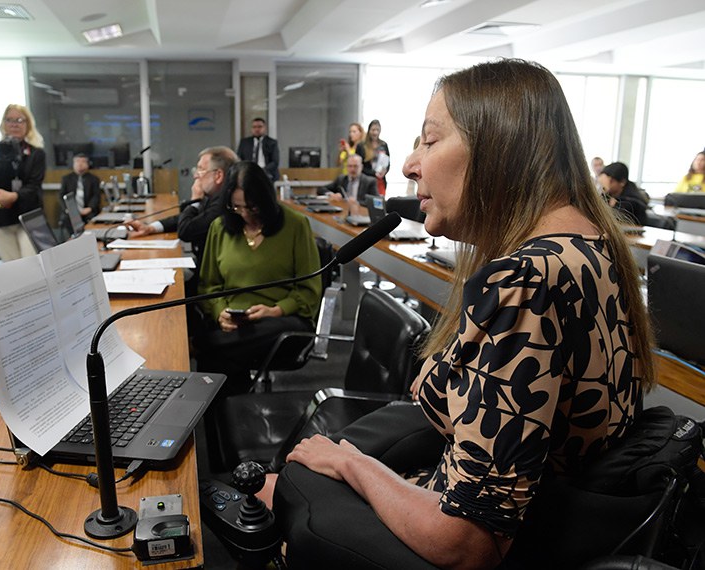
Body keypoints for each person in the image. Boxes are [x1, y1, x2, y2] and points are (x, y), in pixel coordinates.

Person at [265, 59, 654, 569]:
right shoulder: (593, 247)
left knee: (289, 484)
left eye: (429, 140)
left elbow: (465, 542)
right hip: (543, 520)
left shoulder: (523, 281)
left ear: (499, 146)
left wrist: (349, 464)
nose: (408, 164)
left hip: (480, 541)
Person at [194, 161, 321, 396]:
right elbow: (208, 285)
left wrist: (275, 310)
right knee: (226, 354)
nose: (245, 214)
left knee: (214, 351)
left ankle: (221, 422)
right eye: (237, 208)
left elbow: (309, 290)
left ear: (265, 200)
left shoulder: (296, 225)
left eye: (252, 208)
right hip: (233, 325)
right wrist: (219, 312)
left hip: (283, 324)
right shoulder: (220, 227)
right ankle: (234, 420)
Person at [125, 146, 237, 262]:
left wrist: (194, 200)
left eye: (201, 170)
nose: (195, 176)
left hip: (208, 276)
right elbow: (186, 217)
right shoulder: (214, 197)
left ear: (218, 176)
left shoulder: (224, 205)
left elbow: (186, 231)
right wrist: (151, 228)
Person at [0, 103, 46, 261]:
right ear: (3, 123)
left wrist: (13, 196)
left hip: (28, 216)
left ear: (27, 124)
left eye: (20, 120)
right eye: (10, 120)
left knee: (31, 264)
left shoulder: (36, 153)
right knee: (13, 268)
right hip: (2, 217)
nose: (14, 124)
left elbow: (34, 187)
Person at [59, 153, 101, 235]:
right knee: (67, 219)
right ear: (73, 164)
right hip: (71, 211)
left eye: (83, 162)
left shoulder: (94, 179)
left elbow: (96, 196)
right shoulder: (66, 179)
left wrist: (89, 208)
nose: (80, 164)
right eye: (77, 161)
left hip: (88, 210)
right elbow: (61, 196)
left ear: (88, 164)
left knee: (93, 219)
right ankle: (72, 239)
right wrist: (67, 209)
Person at [236, 117, 280, 181]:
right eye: (254, 127)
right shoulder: (244, 142)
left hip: (267, 174)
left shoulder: (272, 142)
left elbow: (275, 162)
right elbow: (239, 159)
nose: (257, 129)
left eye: (260, 127)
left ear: (265, 128)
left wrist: (261, 170)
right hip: (249, 174)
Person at [362, 119, 390, 192]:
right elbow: (360, 166)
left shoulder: (383, 145)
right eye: (373, 130)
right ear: (369, 130)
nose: (375, 132)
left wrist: (384, 171)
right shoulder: (362, 146)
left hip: (380, 181)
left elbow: (388, 163)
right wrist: (374, 173)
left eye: (377, 130)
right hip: (366, 181)